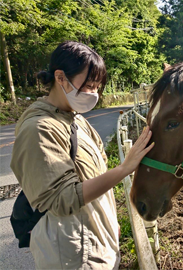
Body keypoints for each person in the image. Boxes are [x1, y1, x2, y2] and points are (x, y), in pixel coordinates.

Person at [10, 41, 154, 270]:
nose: (93, 94)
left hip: (98, 242)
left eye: (97, 87)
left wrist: (110, 221)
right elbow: (62, 198)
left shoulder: (75, 119)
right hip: (72, 254)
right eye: (88, 85)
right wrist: (124, 169)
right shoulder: (38, 129)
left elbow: (97, 174)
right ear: (60, 78)